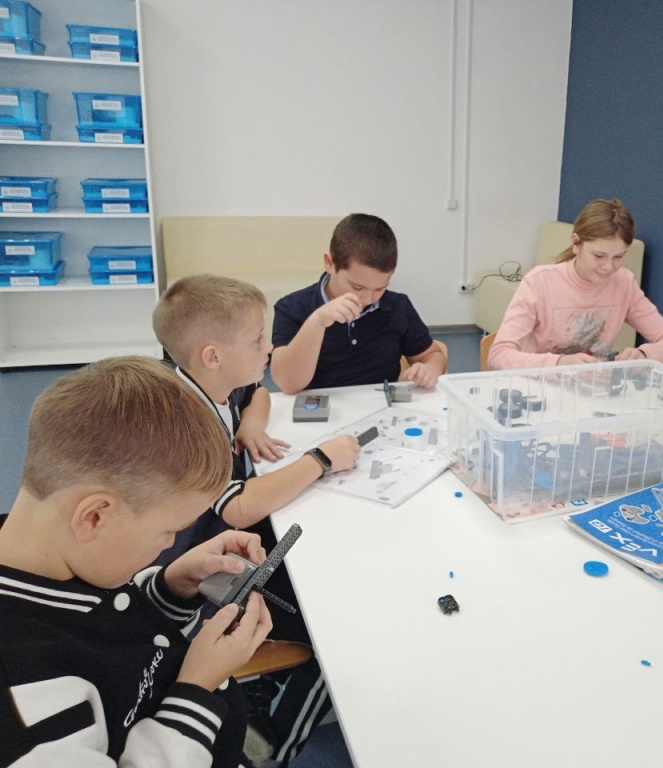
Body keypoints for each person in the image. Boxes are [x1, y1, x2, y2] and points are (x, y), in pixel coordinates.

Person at [0, 356, 272, 767]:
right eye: (168, 531)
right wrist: (198, 689)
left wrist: (171, 588)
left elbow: (111, 620)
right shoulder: (28, 712)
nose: (170, 545)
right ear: (95, 516)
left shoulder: (56, 549)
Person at [153, 274, 359, 766]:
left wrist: (250, 424)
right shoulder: (187, 422)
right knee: (337, 627)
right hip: (200, 573)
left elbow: (258, 393)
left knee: (330, 562)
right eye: (258, 340)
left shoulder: (208, 379)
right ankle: (270, 741)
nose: (269, 348)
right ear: (213, 355)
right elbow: (239, 507)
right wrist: (321, 460)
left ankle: (265, 687)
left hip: (229, 545)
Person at [487, 198, 663, 370]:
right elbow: (498, 356)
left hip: (592, 388)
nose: (608, 267)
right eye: (599, 256)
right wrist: (559, 363)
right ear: (576, 243)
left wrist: (644, 354)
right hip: (539, 388)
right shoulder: (539, 283)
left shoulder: (624, 283)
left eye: (618, 257)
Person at [270, 213, 447, 393]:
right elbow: (288, 383)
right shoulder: (291, 308)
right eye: (357, 287)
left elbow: (433, 354)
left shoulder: (397, 306)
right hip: (319, 407)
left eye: (380, 288)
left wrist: (430, 368)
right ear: (330, 263)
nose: (368, 299)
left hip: (380, 405)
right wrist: (317, 322)